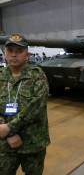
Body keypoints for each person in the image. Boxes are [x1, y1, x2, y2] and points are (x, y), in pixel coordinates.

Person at [0, 33, 50, 175]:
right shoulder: (0, 76)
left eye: (19, 51)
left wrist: (9, 127)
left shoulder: (37, 75)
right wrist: (9, 133)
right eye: (10, 51)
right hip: (5, 145)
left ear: (27, 54)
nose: (14, 55)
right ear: (5, 53)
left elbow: (36, 107)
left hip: (32, 142)